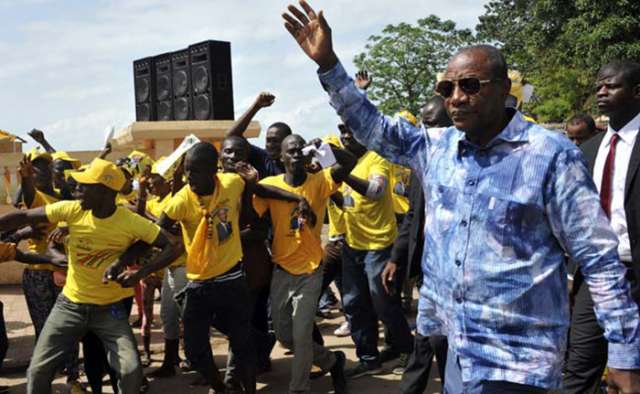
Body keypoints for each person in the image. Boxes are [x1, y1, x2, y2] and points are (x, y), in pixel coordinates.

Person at [281, 2, 640, 392]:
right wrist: (329, 63)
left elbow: (598, 258)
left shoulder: (551, 155)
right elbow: (373, 126)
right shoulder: (436, 148)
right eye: (446, 88)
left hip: (518, 362)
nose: (455, 97)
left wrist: (623, 354)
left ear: (504, 89)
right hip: (458, 352)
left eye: (470, 85)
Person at [0, 158, 180, 394]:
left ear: (104, 191)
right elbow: (25, 217)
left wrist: (140, 274)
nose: (76, 189)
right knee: (38, 371)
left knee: (130, 370)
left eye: (84, 185)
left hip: (110, 309)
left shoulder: (129, 221)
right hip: (69, 305)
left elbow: (173, 245)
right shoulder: (72, 210)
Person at [253, 134, 356, 394]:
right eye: (291, 151)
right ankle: (333, 360)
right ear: (281, 157)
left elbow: (349, 163)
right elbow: (251, 206)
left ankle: (299, 388)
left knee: (300, 337)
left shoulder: (319, 181)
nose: (296, 154)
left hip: (311, 271)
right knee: (283, 335)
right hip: (282, 271)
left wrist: (326, 148)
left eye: (300, 150)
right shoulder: (270, 184)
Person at [563, 60, 640, 393]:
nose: (601, 91)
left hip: (635, 271)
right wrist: (570, 272)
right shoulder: (588, 150)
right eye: (599, 85)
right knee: (579, 368)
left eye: (612, 85)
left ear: (637, 92)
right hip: (595, 277)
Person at [158, 142, 259, 393]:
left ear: (213, 171)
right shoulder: (181, 200)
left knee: (243, 343)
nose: (189, 176)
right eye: (187, 170)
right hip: (198, 282)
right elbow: (158, 230)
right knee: (194, 348)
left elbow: (246, 211)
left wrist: (252, 185)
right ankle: (219, 386)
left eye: (196, 171)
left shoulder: (232, 183)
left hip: (231, 278)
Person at [382, 96, 452, 392]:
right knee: (426, 339)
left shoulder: (471, 164)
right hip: (428, 266)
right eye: (423, 123)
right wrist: (397, 258)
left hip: (458, 272)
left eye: (433, 123)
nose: (426, 130)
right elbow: (412, 215)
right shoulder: (421, 165)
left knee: (442, 341)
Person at [337, 123, 414, 378]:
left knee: (382, 302)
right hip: (352, 244)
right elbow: (344, 200)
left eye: (351, 130)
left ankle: (407, 350)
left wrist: (343, 174)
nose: (346, 135)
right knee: (354, 303)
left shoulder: (377, 158)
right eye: (343, 131)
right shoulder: (343, 162)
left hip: (379, 246)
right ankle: (369, 359)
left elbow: (376, 191)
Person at [225, 91, 291, 178]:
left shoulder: (299, 160)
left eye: (275, 141)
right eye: (268, 140)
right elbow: (233, 137)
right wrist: (256, 106)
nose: (270, 145)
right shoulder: (263, 158)